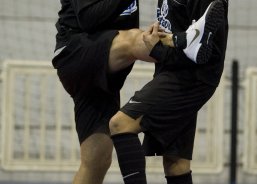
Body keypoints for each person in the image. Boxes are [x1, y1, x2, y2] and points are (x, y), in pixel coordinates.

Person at [52, 0, 205, 183]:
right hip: (76, 52)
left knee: (96, 161)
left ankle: (187, 47)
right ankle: (185, 44)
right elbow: (88, 18)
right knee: (135, 39)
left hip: (103, 73)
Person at [109, 0, 229, 184]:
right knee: (176, 163)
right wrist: (161, 41)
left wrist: (158, 48)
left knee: (121, 124)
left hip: (190, 79)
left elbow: (206, 53)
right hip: (172, 72)